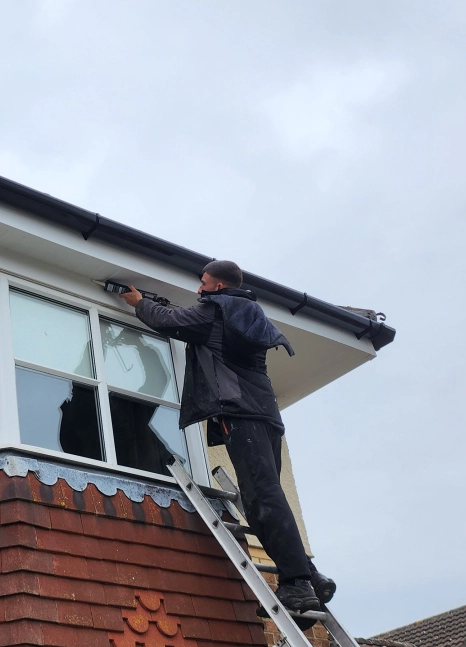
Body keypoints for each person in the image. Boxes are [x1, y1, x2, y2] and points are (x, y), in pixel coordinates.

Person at [119, 261, 334, 621]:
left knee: (263, 498)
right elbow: (198, 324)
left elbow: (170, 322)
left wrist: (140, 303)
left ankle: (297, 584)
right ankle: (310, 576)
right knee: (264, 498)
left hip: (242, 416)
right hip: (265, 416)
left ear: (218, 287)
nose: (199, 290)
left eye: (203, 284)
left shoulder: (217, 310)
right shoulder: (245, 312)